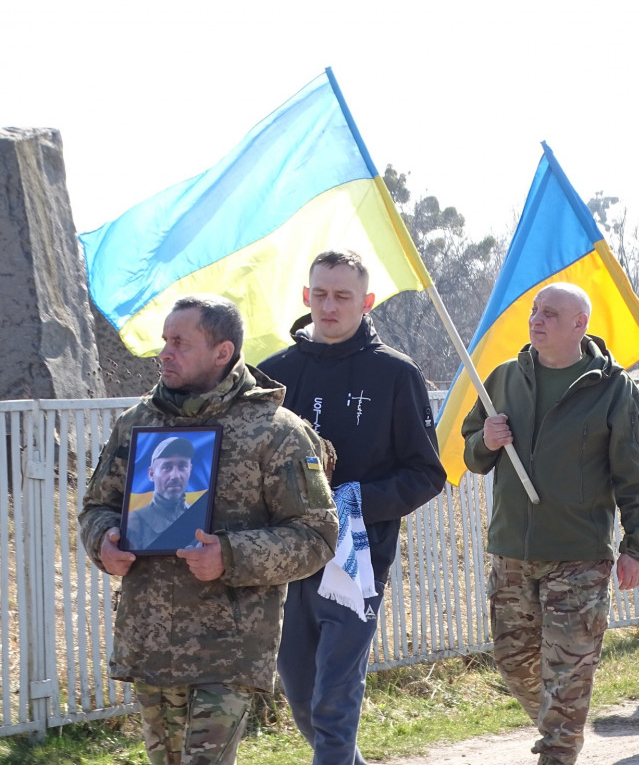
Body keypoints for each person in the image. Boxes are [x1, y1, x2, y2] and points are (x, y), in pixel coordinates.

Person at [79, 295, 339, 765]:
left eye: (180, 342)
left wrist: (231, 554)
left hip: (228, 646)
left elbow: (316, 536)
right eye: (165, 341)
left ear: (222, 352)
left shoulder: (276, 431)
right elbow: (98, 506)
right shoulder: (137, 424)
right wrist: (104, 541)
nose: (165, 353)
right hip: (151, 641)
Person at [258, 249, 446, 765]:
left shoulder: (395, 374)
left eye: (342, 296)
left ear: (366, 301)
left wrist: (353, 503)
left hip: (356, 557)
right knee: (299, 690)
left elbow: (427, 474)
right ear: (305, 297)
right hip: (284, 557)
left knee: (334, 698)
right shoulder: (271, 375)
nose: (329, 305)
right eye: (320, 294)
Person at [461, 282, 639, 765]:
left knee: (568, 672)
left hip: (579, 556)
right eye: (535, 310)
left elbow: (634, 476)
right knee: (514, 664)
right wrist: (485, 439)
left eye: (550, 313)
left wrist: (638, 546)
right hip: (511, 551)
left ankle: (558, 747)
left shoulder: (613, 389)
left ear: (579, 325)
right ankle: (561, 721)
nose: (537, 319)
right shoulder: (505, 378)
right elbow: (473, 454)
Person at [125, 435, 198, 551]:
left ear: (190, 470)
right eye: (167, 467)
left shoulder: (198, 516)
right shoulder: (135, 522)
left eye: (182, 466)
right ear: (151, 474)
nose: (175, 476)